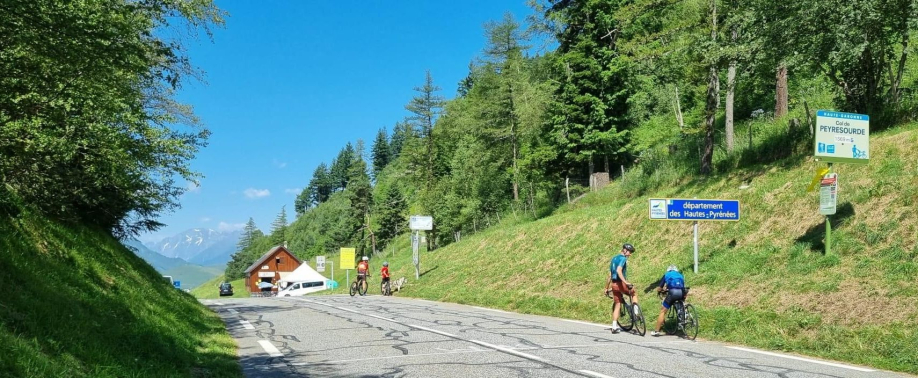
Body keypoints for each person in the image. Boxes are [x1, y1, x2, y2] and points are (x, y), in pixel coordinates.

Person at [604, 243, 636, 333]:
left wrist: (606, 288)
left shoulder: (614, 259)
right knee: (634, 293)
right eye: (629, 252)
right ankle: (636, 313)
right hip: (621, 284)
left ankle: (614, 327)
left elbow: (610, 275)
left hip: (614, 285)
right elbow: (619, 270)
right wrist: (625, 282)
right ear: (624, 250)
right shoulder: (623, 259)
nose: (630, 254)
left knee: (617, 304)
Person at [651, 265, 687, 337]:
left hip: (672, 293)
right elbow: (682, 285)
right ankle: (683, 315)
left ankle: (656, 331)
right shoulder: (680, 275)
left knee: (663, 311)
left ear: (668, 270)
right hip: (682, 292)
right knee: (681, 302)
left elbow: (659, 288)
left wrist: (660, 290)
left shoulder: (666, 275)